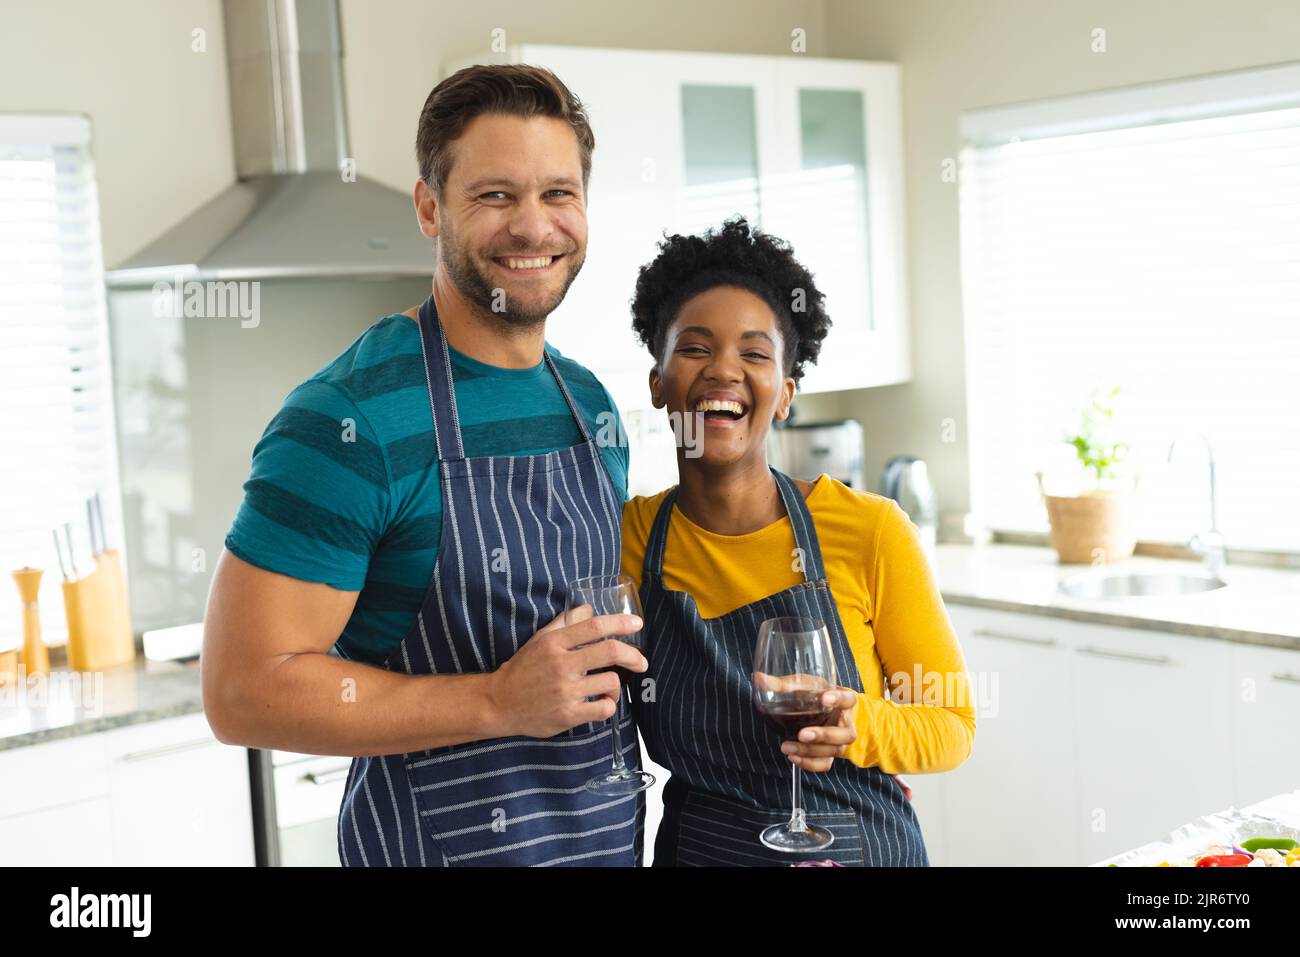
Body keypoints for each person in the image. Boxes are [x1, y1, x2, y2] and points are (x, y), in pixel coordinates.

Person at [202, 65, 651, 867]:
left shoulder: (592, 407)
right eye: (495, 196)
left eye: (559, 193)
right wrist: (495, 700)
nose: (533, 226)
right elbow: (241, 691)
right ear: (429, 207)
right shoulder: (349, 420)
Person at [622, 217, 977, 866]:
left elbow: (953, 726)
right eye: (696, 349)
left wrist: (857, 726)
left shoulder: (870, 529)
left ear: (784, 394)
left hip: (859, 846)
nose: (724, 370)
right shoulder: (629, 537)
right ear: (657, 382)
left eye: (755, 354)